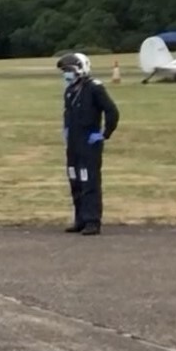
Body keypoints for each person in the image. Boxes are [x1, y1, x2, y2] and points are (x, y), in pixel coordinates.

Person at [57, 51, 119, 235]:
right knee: (75, 179)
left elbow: (112, 111)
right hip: (73, 143)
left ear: (80, 69)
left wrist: (104, 133)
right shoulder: (69, 90)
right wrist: (66, 129)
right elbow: (68, 113)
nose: (66, 74)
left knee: (89, 181)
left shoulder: (94, 88)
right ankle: (80, 219)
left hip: (89, 142)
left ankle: (93, 220)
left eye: (69, 70)